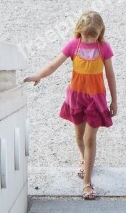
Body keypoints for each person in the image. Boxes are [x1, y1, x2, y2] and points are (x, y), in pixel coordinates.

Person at [23, 11, 117, 200]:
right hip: (76, 97)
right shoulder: (73, 45)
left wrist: (114, 100)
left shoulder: (103, 48)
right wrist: (38, 76)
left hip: (95, 100)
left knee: (90, 139)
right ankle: (84, 160)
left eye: (94, 36)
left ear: (100, 33)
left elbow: (110, 75)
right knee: (80, 136)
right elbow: (53, 65)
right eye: (86, 35)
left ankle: (87, 183)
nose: (90, 40)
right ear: (79, 31)